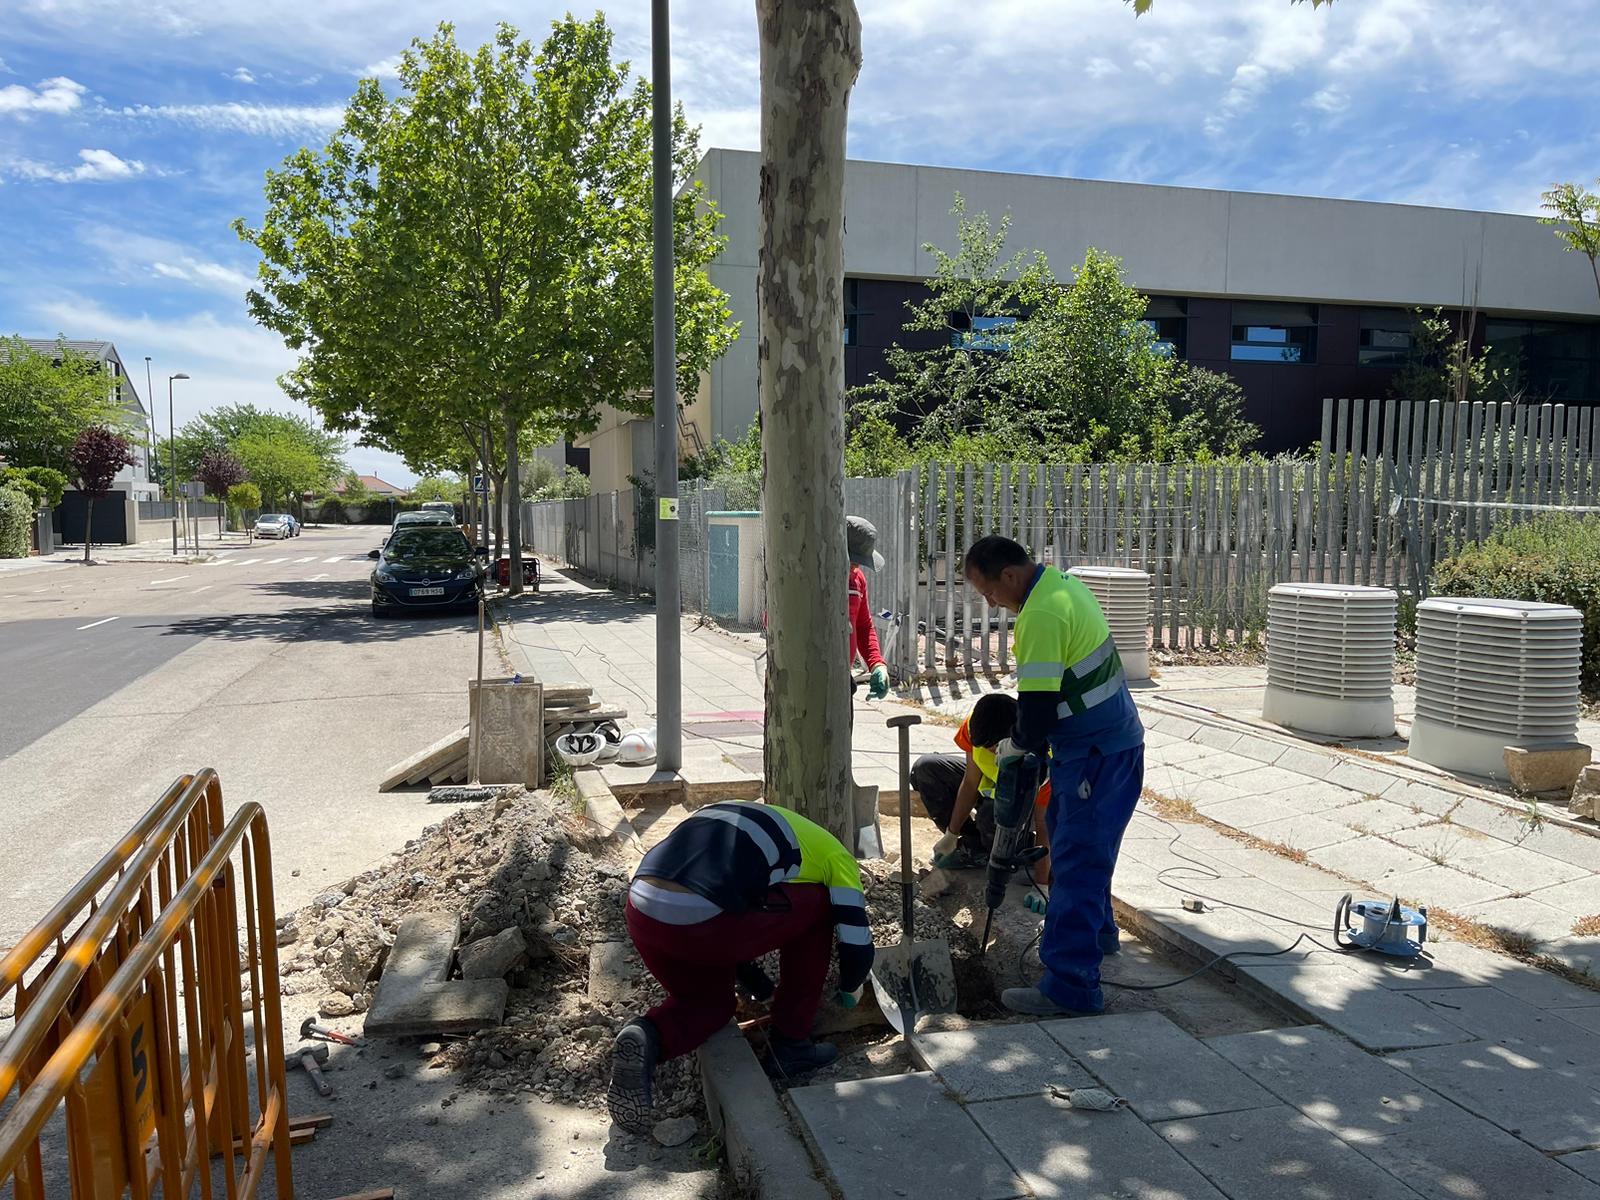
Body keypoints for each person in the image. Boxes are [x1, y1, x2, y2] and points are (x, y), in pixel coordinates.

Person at [608, 800, 875, 1133]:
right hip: (703, 921)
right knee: (821, 906)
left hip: (644, 913)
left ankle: (647, 1036)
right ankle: (792, 1045)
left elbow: (729, 895)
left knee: (710, 1005)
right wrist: (851, 987)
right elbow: (856, 942)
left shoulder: (728, 814)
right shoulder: (838, 857)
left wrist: (756, 983)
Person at [962, 535, 1144, 1017]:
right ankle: (1100, 935)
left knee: (1078, 861)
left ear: (1008, 575)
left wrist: (1016, 747)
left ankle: (1071, 986)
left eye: (988, 593)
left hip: (1094, 755)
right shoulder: (1065, 585)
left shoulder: (1039, 615)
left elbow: (1038, 710)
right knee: (1078, 844)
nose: (991, 603)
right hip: (1109, 746)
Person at [916, 693, 1052, 869]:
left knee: (991, 813)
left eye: (994, 748)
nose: (990, 752)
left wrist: (1042, 884)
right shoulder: (977, 726)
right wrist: (951, 833)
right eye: (985, 748)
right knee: (926, 768)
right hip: (993, 794)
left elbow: (1044, 824)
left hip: (1026, 808)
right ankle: (973, 846)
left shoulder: (1039, 758)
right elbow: (971, 782)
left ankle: (1017, 847)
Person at [847, 515, 890, 700]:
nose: (856, 566)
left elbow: (863, 625)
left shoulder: (858, 580)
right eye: (853, 560)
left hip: (842, 678)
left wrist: (877, 664)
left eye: (859, 562)